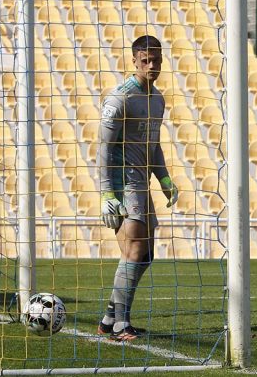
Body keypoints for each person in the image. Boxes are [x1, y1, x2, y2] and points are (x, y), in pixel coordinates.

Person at [96, 35, 178, 341]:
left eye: (157, 59)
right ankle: (121, 325)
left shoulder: (157, 99)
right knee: (134, 250)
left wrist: (165, 179)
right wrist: (106, 193)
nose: (152, 65)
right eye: (146, 60)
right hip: (121, 182)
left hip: (142, 183)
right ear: (135, 60)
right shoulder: (119, 98)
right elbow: (103, 148)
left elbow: (152, 144)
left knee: (145, 257)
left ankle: (108, 317)